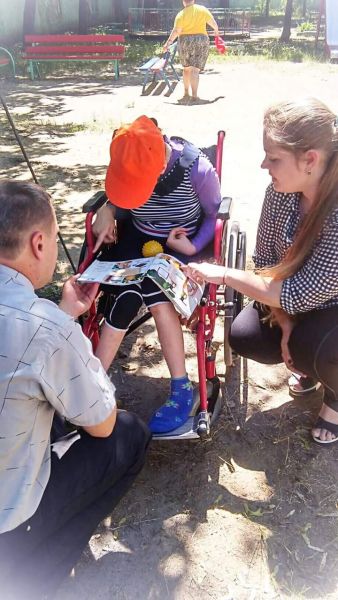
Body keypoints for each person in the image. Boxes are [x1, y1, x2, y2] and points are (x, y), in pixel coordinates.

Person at [0, 180, 151, 599]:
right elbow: (102, 426)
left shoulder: (45, 322)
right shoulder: (45, 328)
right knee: (129, 434)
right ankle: (34, 576)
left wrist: (66, 313)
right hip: (8, 523)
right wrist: (67, 328)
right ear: (37, 243)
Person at [185, 97, 338, 446]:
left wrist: (222, 274)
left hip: (329, 304)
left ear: (310, 160)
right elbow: (266, 260)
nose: (263, 164)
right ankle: (311, 365)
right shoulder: (280, 192)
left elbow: (298, 292)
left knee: (313, 345)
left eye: (273, 158)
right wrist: (283, 323)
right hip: (298, 298)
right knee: (246, 335)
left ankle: (335, 398)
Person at [92, 115, 221, 434]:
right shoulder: (132, 161)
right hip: (138, 239)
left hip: (182, 242)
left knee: (155, 292)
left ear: (160, 168)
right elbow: (119, 196)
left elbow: (215, 214)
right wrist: (107, 210)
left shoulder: (198, 170)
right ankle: (91, 384)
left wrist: (194, 246)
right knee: (121, 294)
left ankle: (181, 388)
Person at [162, 0, 219, 103]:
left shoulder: (181, 14)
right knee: (195, 70)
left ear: (183, 2)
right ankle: (195, 95)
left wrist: (168, 43)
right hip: (201, 40)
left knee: (187, 68)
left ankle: (186, 93)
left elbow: (176, 31)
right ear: (193, 0)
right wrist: (216, 32)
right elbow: (213, 23)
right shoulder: (202, 10)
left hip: (184, 41)